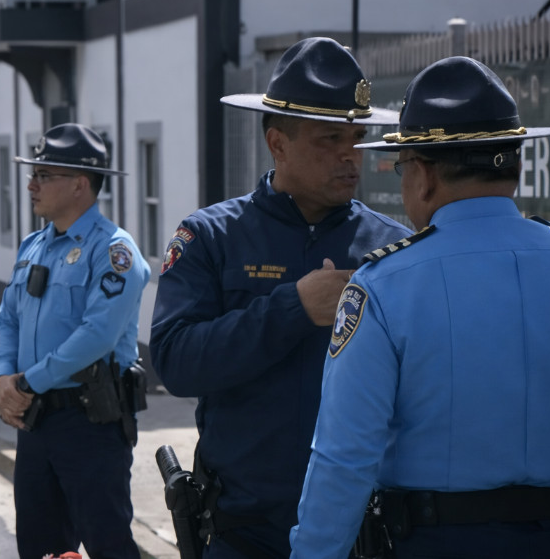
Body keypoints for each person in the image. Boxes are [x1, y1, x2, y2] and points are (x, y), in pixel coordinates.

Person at [289, 56, 550, 558]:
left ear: (425, 176)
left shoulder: (383, 287)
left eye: (401, 167)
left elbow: (345, 459)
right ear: (517, 165)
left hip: (439, 540)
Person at [149, 37, 412, 558]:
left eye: (358, 138)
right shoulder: (212, 236)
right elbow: (175, 362)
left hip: (358, 532)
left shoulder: (390, 247)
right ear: (278, 143)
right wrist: (293, 307)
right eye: (328, 140)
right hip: (241, 529)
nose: (349, 155)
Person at [0, 123, 150, 559]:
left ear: (80, 184)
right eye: (33, 173)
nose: (31, 184)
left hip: (90, 424)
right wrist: (2, 377)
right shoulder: (33, 247)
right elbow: (7, 320)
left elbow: (97, 335)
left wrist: (26, 383)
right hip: (36, 421)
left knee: (108, 545)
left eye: (43, 174)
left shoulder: (114, 251)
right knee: (41, 549)